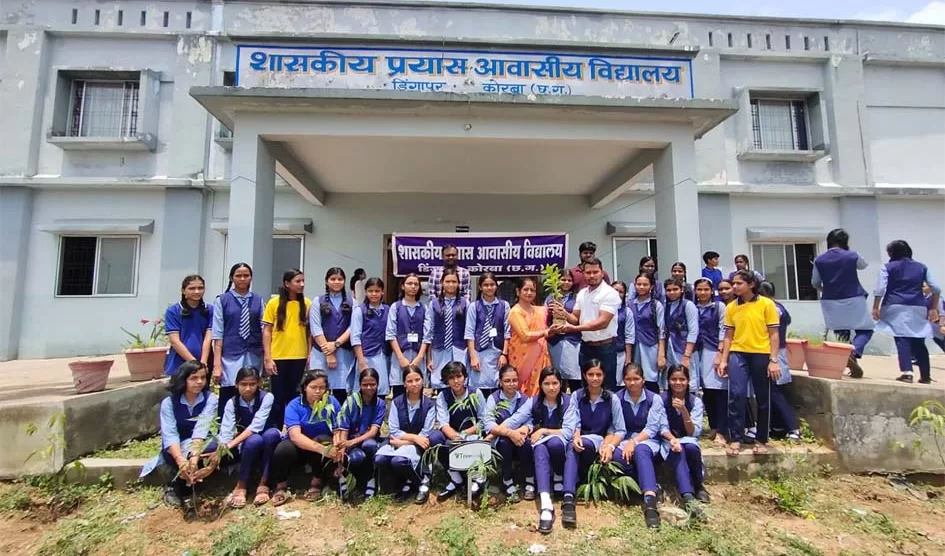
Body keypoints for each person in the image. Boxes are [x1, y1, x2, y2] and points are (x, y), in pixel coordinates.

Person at [141, 361, 219, 511]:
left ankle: (192, 484)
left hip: (199, 443)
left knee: (212, 447)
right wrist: (180, 459)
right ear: (183, 379)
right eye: (194, 378)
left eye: (203, 377)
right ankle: (172, 486)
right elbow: (170, 433)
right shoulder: (169, 403)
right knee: (171, 452)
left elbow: (201, 428)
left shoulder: (210, 399)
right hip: (178, 443)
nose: (199, 382)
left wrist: (194, 456)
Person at [719, 270, 781, 456]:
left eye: (739, 283)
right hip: (738, 353)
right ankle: (736, 438)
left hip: (761, 353)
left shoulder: (766, 304)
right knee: (736, 394)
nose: (735, 287)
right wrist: (723, 360)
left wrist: (774, 360)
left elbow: (774, 334)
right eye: (733, 283)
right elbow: (728, 335)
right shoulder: (731, 307)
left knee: (762, 397)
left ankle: (761, 439)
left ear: (751, 284)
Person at [560, 359, 626, 529]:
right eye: (591, 374)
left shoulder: (612, 398)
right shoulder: (577, 396)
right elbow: (573, 421)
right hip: (581, 440)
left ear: (604, 376)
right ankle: (568, 497)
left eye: (598, 374)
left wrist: (610, 446)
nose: (595, 378)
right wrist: (575, 436)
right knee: (573, 447)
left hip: (603, 441)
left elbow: (620, 429)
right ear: (584, 375)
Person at [504, 366, 571, 534]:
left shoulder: (569, 402)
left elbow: (569, 431)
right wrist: (498, 431)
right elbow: (515, 419)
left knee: (554, 443)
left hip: (560, 445)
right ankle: (546, 504)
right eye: (546, 384)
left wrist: (543, 431)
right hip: (540, 444)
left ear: (560, 384)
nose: (551, 388)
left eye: (555, 383)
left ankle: (559, 475)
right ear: (540, 385)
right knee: (540, 449)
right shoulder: (534, 401)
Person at [872, 240, 941, 384]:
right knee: (918, 339)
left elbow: (880, 289)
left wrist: (875, 307)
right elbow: (936, 288)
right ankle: (925, 375)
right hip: (918, 306)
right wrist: (933, 308)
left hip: (894, 305)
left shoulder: (887, 267)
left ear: (892, 253)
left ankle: (907, 373)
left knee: (901, 338)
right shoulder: (922, 267)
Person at [270, 370, 342, 506]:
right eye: (313, 387)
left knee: (322, 439)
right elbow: (295, 436)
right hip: (300, 447)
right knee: (283, 449)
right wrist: (322, 449)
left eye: (322, 388)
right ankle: (281, 486)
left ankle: (317, 481)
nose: (317, 391)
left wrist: (338, 448)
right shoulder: (294, 405)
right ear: (304, 387)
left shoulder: (332, 402)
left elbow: (338, 429)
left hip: (322, 445)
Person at [612, 363, 669, 529]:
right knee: (616, 457)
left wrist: (634, 442)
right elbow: (617, 426)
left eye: (636, 379)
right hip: (624, 439)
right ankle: (647, 484)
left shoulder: (654, 399)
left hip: (647, 441)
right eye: (628, 379)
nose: (632, 383)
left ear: (643, 380)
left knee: (641, 451)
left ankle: (650, 502)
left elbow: (652, 428)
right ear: (623, 380)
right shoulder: (617, 398)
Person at [811, 229, 874, 378]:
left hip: (830, 299)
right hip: (853, 297)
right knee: (866, 330)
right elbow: (863, 265)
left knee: (841, 333)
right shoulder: (852, 255)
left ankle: (851, 364)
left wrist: (825, 288)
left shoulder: (819, 260)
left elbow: (815, 282)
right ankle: (854, 351)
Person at [553, 258, 623, 392]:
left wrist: (575, 329)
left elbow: (603, 323)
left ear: (602, 273)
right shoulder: (582, 293)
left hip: (605, 347)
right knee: (586, 388)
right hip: (586, 347)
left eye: (595, 272)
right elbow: (575, 319)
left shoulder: (610, 293)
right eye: (588, 272)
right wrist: (564, 313)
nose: (592, 275)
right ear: (583, 274)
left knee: (606, 388)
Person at [218, 367, 281, 508]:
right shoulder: (232, 403)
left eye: (252, 384)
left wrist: (230, 445)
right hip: (248, 440)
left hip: (268, 433)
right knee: (254, 440)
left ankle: (264, 482)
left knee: (269, 435)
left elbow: (257, 425)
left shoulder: (267, 397)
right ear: (236, 385)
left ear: (259, 384)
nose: (248, 388)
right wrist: (220, 450)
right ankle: (242, 484)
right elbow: (226, 430)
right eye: (243, 384)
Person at [374, 365, 437, 504]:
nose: (414, 384)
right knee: (380, 459)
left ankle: (420, 482)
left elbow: (425, 434)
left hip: (416, 445)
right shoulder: (397, 402)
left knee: (399, 461)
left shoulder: (429, 405)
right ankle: (400, 482)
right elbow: (394, 430)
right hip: (399, 442)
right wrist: (413, 438)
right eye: (410, 381)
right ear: (404, 384)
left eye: (417, 380)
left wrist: (403, 442)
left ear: (423, 380)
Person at [212, 263, 264, 417]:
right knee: (230, 389)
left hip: (253, 352)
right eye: (238, 276)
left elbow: (264, 328)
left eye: (246, 276)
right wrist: (216, 365)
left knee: (251, 389)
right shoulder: (222, 300)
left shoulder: (258, 300)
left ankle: (250, 423)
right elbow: (218, 333)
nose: (242, 279)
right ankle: (226, 425)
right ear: (231, 278)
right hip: (231, 354)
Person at [429, 362, 486, 502]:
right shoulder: (443, 396)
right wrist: (456, 437)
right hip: (452, 436)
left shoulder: (475, 393)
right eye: (451, 378)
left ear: (465, 377)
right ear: (446, 380)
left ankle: (477, 479)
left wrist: (465, 434)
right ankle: (456, 478)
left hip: (473, 434)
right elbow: (443, 423)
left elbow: (483, 421)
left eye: (459, 376)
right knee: (435, 438)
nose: (456, 381)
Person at [262, 269, 311, 428]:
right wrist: (268, 357)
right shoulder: (273, 303)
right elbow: (267, 331)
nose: (301, 284)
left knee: (295, 395)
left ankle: (293, 427)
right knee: (277, 396)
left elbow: (310, 332)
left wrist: (309, 353)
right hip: (278, 356)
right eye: (297, 281)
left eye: (303, 281)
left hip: (299, 356)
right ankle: (275, 429)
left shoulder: (307, 304)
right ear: (287, 283)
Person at [481, 364, 533, 502]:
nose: (511, 384)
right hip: (501, 440)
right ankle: (507, 480)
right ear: (500, 382)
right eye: (507, 381)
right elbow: (489, 424)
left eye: (514, 380)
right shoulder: (493, 398)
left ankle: (530, 479)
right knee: (505, 443)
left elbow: (530, 420)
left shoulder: (525, 399)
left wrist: (526, 428)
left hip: (520, 438)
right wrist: (510, 433)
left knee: (526, 444)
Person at [661, 365, 709, 514]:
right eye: (674, 379)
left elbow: (693, 432)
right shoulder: (661, 400)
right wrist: (672, 439)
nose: (678, 383)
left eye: (682, 379)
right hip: (667, 440)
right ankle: (687, 496)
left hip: (687, 438)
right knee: (678, 450)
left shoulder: (695, 402)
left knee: (691, 447)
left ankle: (698, 485)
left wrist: (683, 411)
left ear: (688, 381)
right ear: (668, 381)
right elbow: (660, 426)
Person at [334, 368, 385, 500]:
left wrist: (352, 442)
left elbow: (373, 431)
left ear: (378, 384)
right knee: (357, 458)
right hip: (351, 443)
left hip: (367, 440)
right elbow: (344, 429)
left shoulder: (380, 404)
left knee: (370, 445)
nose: (369, 388)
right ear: (359, 385)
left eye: (372, 384)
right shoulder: (351, 401)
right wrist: (343, 448)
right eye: (365, 384)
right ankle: (348, 479)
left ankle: (371, 478)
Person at [759, 282, 801, 441]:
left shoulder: (771, 308)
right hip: (777, 352)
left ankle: (793, 427)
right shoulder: (779, 306)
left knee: (775, 391)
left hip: (773, 353)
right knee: (772, 391)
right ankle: (777, 427)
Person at [310, 267, 355, 403]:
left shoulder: (352, 302)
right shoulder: (317, 301)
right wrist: (328, 352)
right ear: (326, 281)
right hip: (320, 352)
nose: (336, 282)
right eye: (333, 279)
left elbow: (353, 327)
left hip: (343, 352)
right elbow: (316, 328)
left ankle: (339, 416)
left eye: (340, 279)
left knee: (341, 390)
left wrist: (336, 344)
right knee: (319, 388)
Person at [692, 278, 728, 446]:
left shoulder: (718, 307)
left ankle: (722, 430)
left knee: (718, 390)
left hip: (713, 350)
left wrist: (720, 353)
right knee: (706, 390)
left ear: (711, 291)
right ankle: (713, 426)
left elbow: (723, 329)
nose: (702, 293)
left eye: (706, 289)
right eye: (699, 289)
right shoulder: (693, 307)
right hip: (697, 351)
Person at [465, 271, 511, 396]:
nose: (489, 288)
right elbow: (469, 333)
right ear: (480, 287)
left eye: (492, 284)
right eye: (486, 285)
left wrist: (504, 354)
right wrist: (473, 356)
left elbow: (507, 332)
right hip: (479, 352)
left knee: (497, 385)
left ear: (496, 286)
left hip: (497, 352)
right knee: (479, 387)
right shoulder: (474, 306)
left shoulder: (504, 305)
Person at [425, 269, 469, 392]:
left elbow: (469, 331)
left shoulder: (465, 303)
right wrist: (429, 358)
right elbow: (429, 332)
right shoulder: (433, 304)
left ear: (459, 284)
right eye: (448, 281)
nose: (451, 284)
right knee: (441, 383)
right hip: (439, 350)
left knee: (459, 383)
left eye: (454, 282)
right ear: (441, 283)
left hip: (460, 350)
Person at [509, 276, 552, 396]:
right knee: (523, 392)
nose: (529, 293)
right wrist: (545, 332)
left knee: (541, 387)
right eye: (526, 289)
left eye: (532, 290)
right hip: (522, 359)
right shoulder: (515, 312)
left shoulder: (541, 311)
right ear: (518, 291)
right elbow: (525, 335)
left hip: (540, 357)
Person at [386, 274, 428, 398]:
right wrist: (400, 358)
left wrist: (420, 357)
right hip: (400, 355)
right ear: (403, 286)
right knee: (399, 390)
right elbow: (390, 334)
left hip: (418, 355)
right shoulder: (396, 307)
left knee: (417, 389)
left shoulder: (424, 308)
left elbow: (427, 335)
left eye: (416, 284)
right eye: (409, 283)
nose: (413, 287)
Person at [164, 274, 213, 376]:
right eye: (192, 288)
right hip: (179, 364)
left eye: (200, 288)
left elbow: (208, 338)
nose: (197, 291)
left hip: (205, 363)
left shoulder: (210, 310)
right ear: (183, 291)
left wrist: (203, 363)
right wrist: (195, 364)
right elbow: (174, 341)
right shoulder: (173, 311)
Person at [351, 278, 391, 397]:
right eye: (370, 291)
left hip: (383, 355)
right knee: (364, 390)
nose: (374, 294)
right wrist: (361, 361)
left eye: (377, 291)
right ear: (365, 292)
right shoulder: (359, 311)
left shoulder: (388, 310)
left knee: (381, 390)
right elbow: (355, 337)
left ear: (382, 292)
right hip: (366, 356)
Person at [545, 269, 582, 393]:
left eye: (569, 280)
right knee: (556, 377)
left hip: (572, 342)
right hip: (555, 342)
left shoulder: (577, 298)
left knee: (574, 377)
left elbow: (576, 321)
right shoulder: (551, 297)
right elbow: (544, 318)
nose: (566, 282)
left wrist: (564, 312)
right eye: (563, 279)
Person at [629, 273, 666, 393]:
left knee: (650, 378)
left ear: (651, 286)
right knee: (634, 377)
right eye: (638, 284)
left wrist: (661, 354)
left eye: (645, 284)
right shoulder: (629, 304)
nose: (641, 287)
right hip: (633, 347)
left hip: (650, 347)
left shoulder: (656, 305)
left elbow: (661, 330)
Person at [662, 278, 699, 391]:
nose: (672, 292)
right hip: (670, 347)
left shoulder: (688, 305)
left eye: (675, 289)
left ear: (681, 290)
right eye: (669, 290)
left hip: (684, 348)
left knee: (687, 378)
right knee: (672, 378)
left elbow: (693, 331)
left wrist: (687, 356)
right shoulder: (666, 306)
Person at [611, 281, 635, 380]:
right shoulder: (600, 308)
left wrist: (628, 358)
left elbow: (629, 336)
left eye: (621, 292)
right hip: (601, 351)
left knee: (618, 381)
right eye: (615, 290)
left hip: (619, 353)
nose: (617, 293)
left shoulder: (627, 311)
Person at [925, 282, 945, 354]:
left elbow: (942, 312)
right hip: (933, 328)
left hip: (939, 326)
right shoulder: (925, 298)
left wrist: (942, 325)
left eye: (924, 286)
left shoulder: (937, 298)